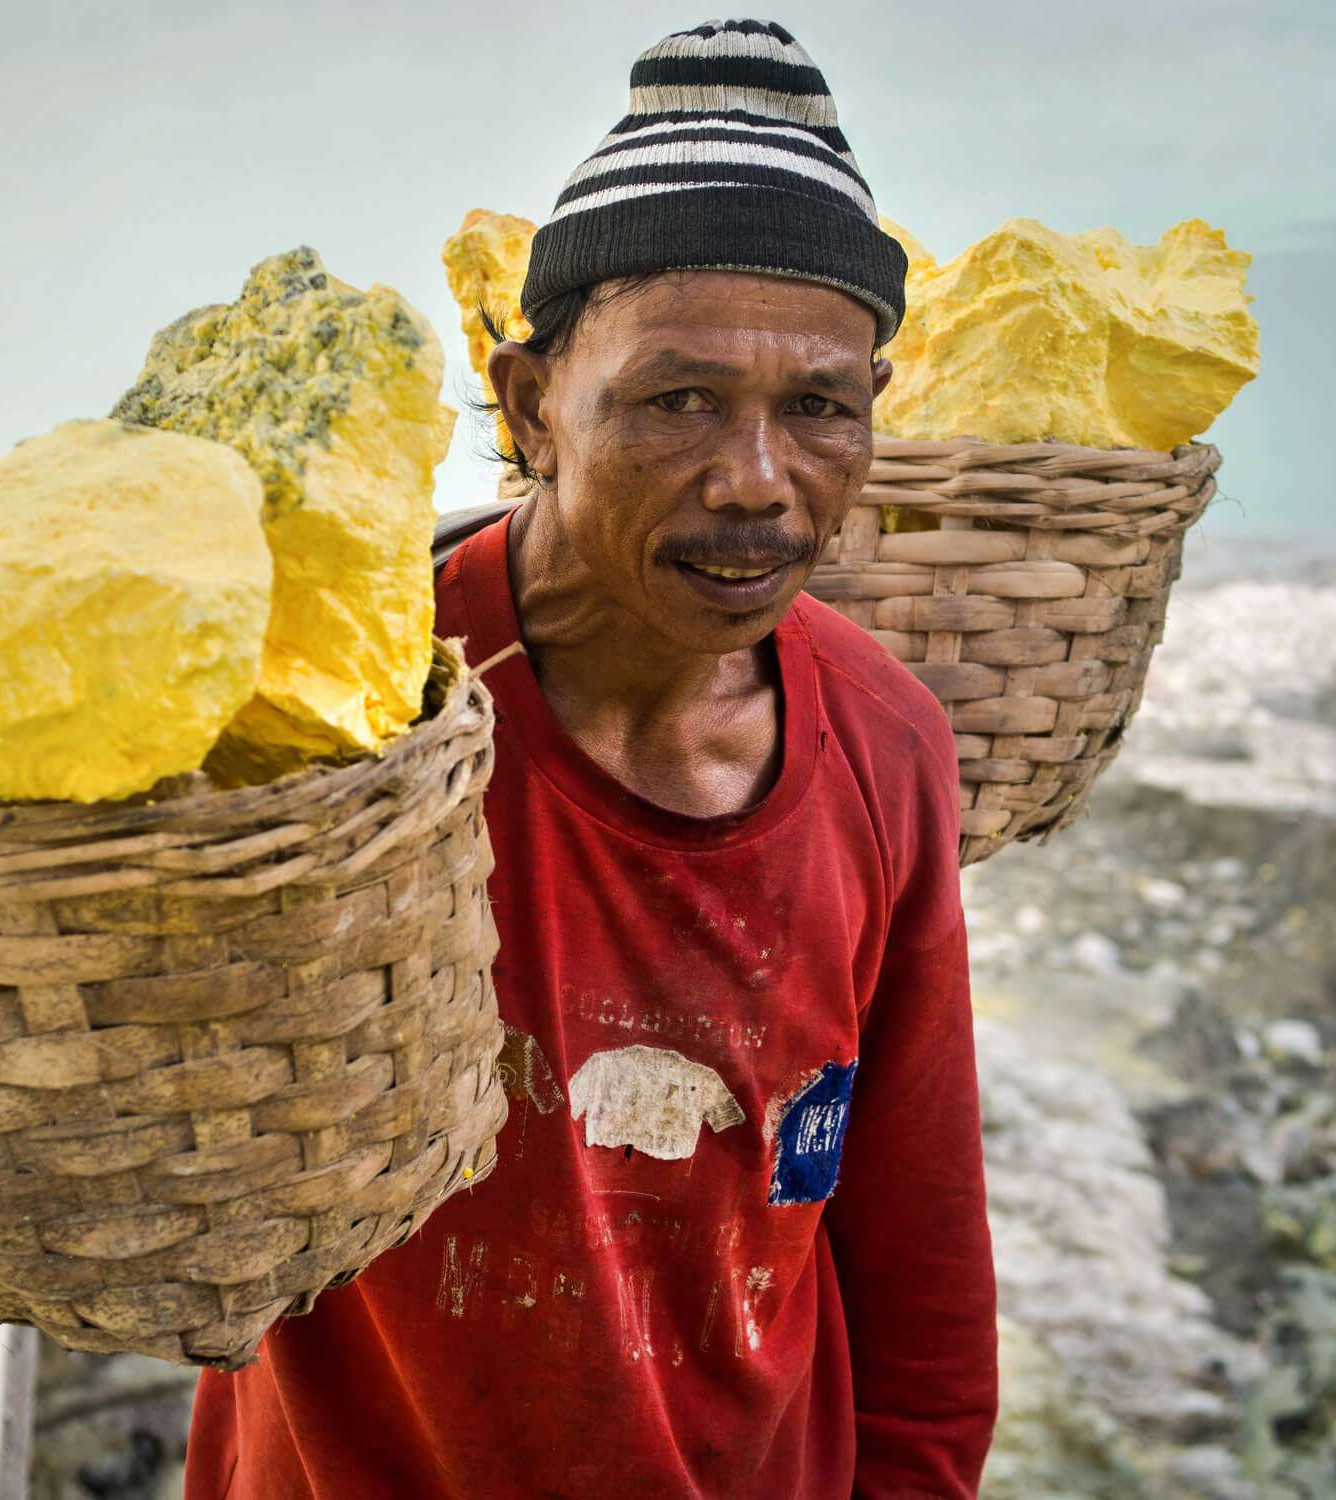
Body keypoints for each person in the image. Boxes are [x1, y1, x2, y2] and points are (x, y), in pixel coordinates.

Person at [186, 19, 998, 1498]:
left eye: (820, 406)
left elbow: (915, 1241)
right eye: (676, 398)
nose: (759, 482)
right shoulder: (341, 707)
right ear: (528, 406)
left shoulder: (885, 745)